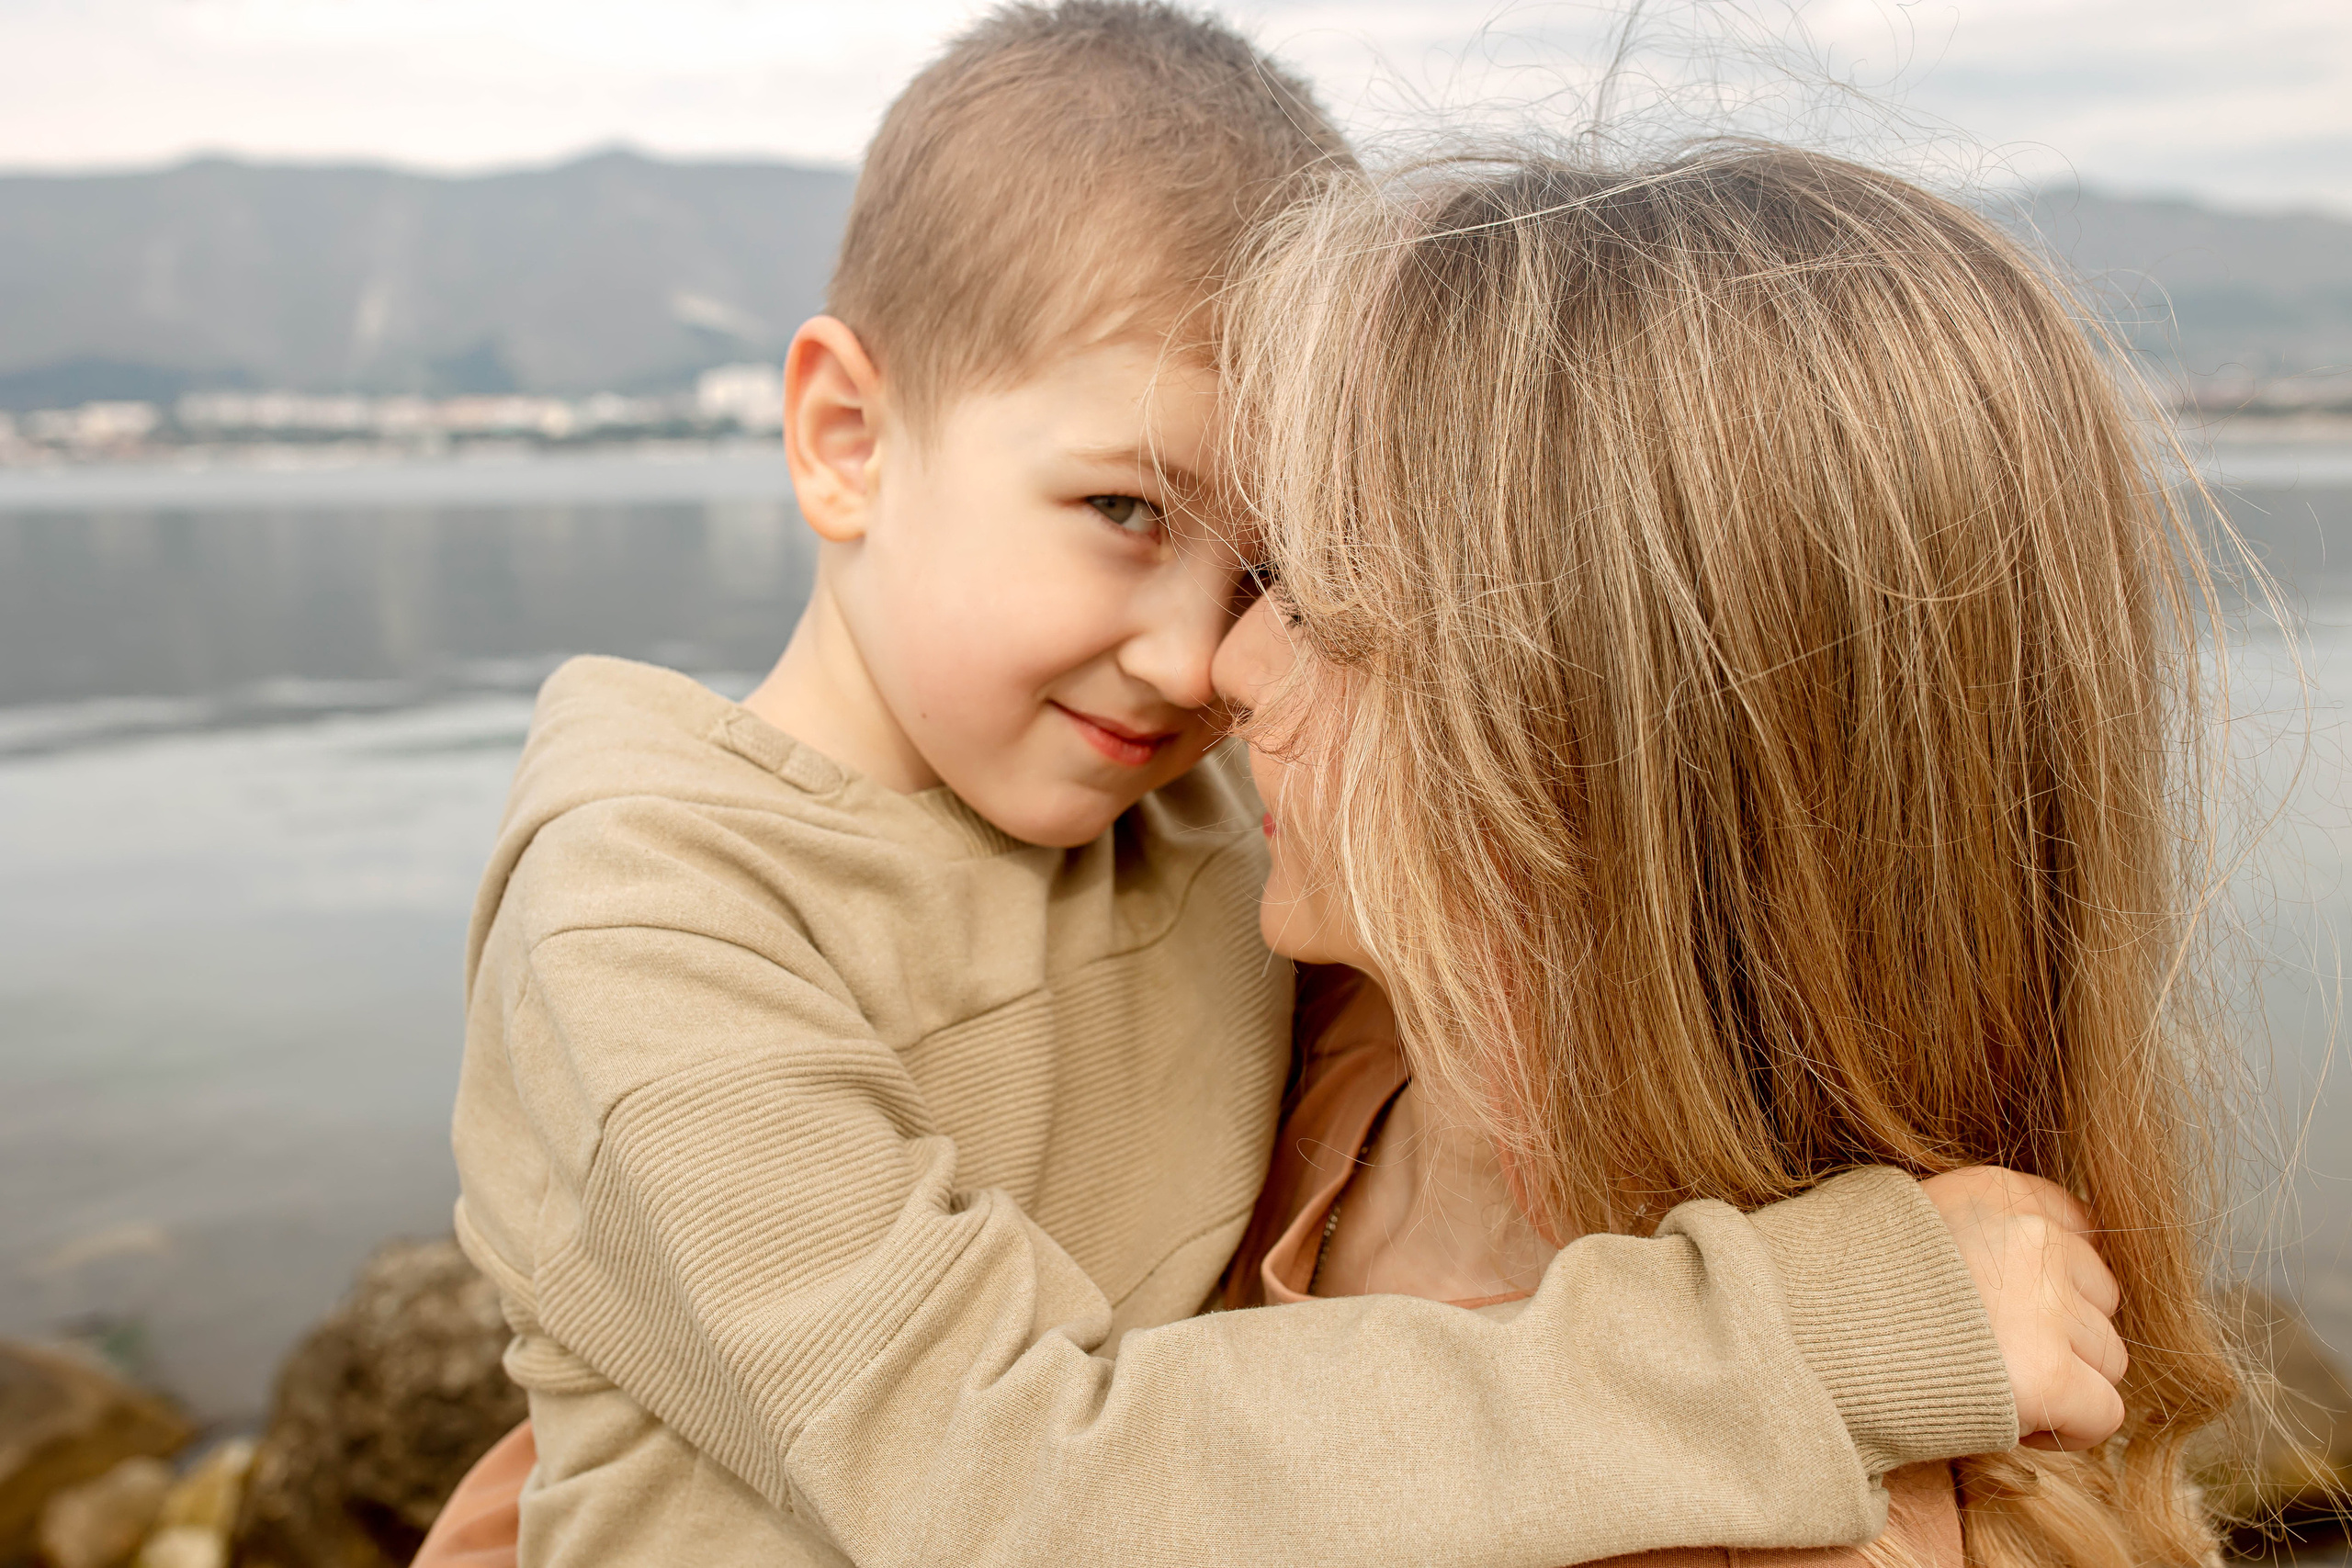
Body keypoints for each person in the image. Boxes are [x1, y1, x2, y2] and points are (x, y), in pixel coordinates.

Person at [428, 8, 2125, 1565]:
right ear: (844, 438)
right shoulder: (646, 918)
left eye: (1275, 567)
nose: (1198, 659)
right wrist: (1813, 1333)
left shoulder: (1185, 826)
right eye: (1126, 513)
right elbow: (993, 1474)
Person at [1210, 141, 2242, 1565]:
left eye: (1326, 598)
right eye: (1271, 573)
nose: (1226, 660)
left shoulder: (1815, 1531)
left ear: (1599, 744)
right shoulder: (1321, 1050)